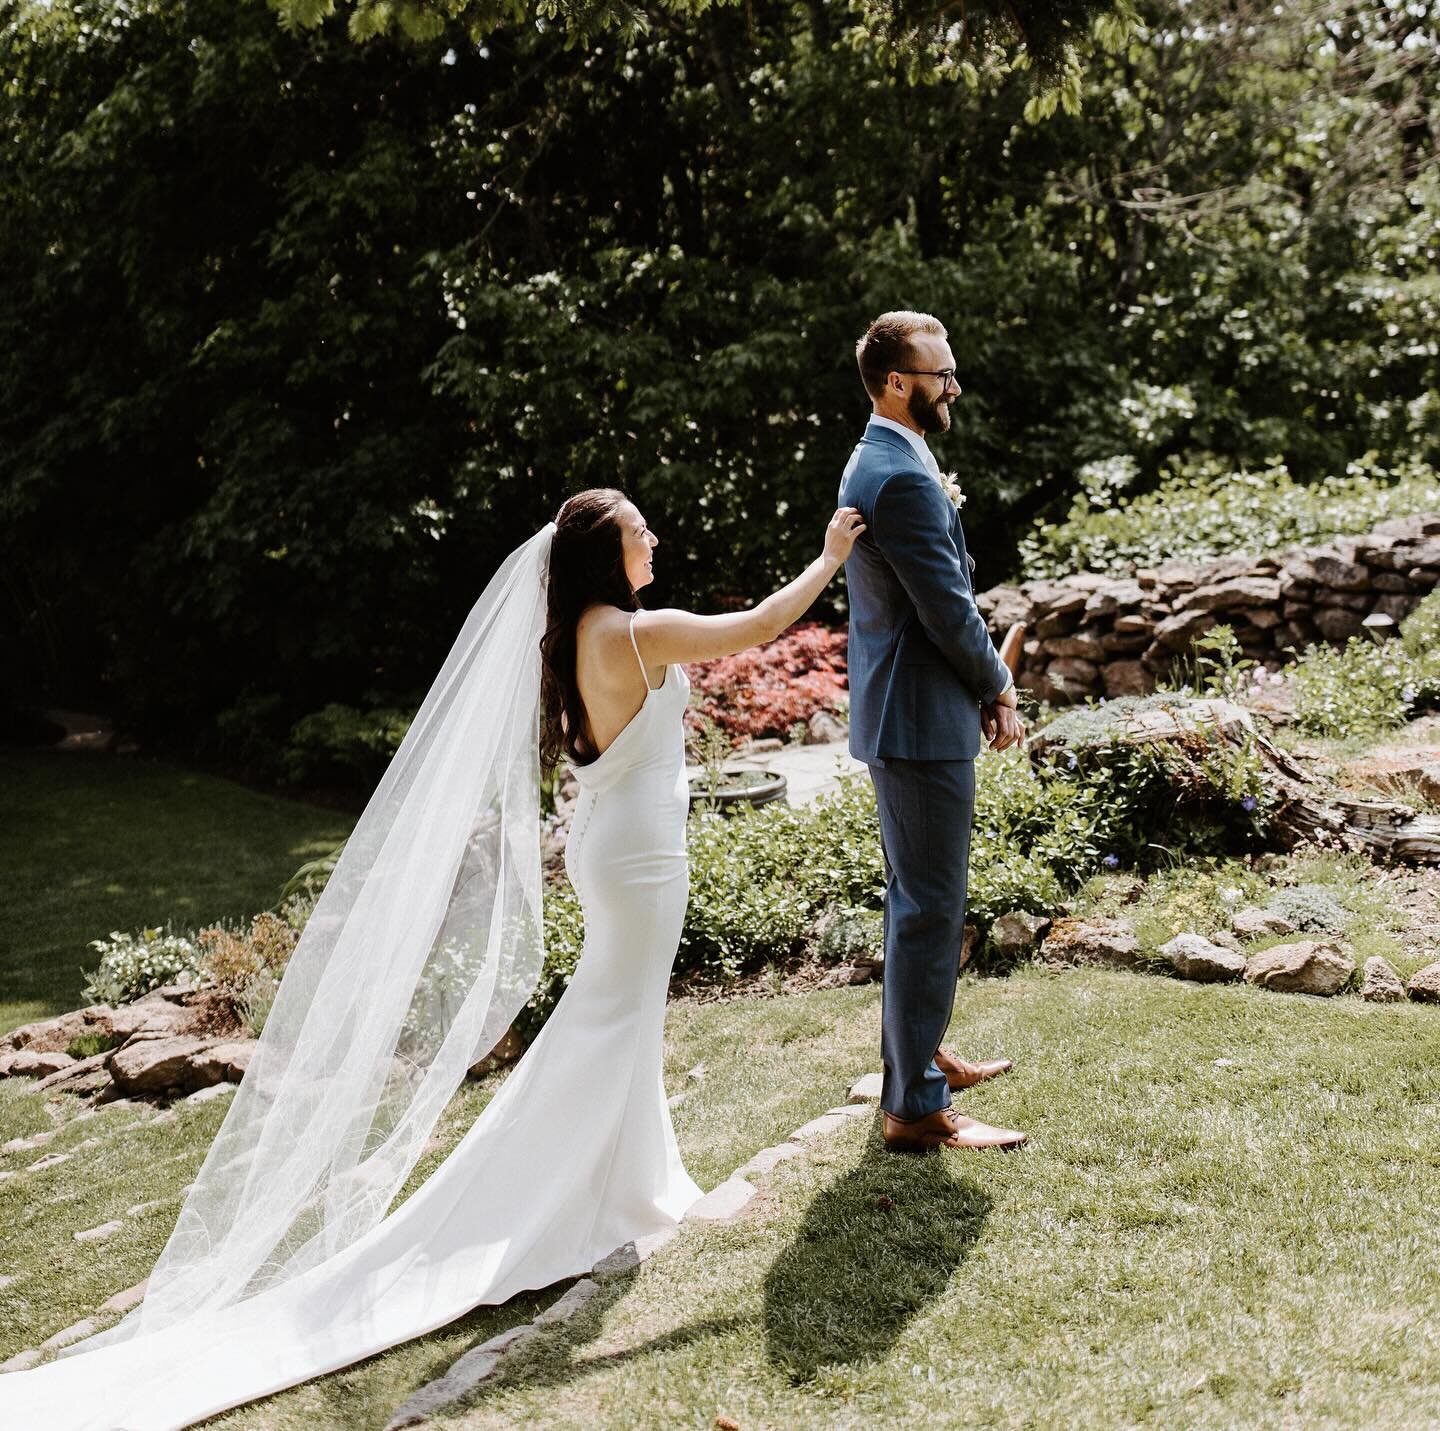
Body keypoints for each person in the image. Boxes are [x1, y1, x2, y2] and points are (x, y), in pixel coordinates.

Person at [0, 491, 865, 1430]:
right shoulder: (632, 631)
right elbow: (762, 624)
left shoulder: (576, 631)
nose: (654, 536)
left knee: (618, 1015)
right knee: (608, 1017)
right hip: (640, 858)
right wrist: (829, 557)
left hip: (618, 842)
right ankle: (561, 1197)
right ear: (602, 556)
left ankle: (636, 1186)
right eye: (637, 530)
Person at [840, 310, 1029, 1154]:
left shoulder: (892, 455)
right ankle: (914, 1104)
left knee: (916, 904)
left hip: (911, 714)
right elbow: (947, 608)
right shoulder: (900, 474)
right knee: (929, 909)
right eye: (938, 372)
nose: (953, 385)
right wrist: (999, 685)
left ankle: (920, 1057)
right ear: (894, 382)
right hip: (920, 720)